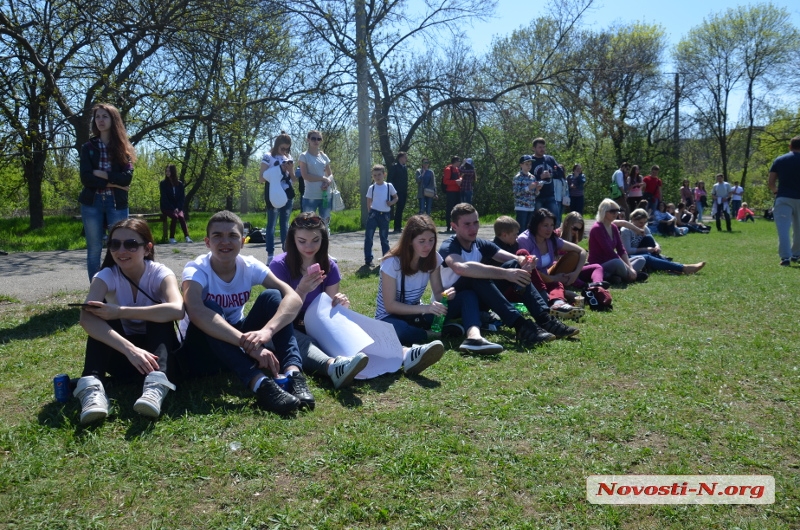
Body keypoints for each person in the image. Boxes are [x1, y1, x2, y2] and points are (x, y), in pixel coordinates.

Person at [179, 210, 311, 414]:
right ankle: (261, 385)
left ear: (242, 241)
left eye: (232, 236)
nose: (225, 242)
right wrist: (248, 344)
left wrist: (267, 331)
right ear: (207, 242)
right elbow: (195, 310)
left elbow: (291, 296)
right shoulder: (196, 269)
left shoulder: (249, 265)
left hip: (236, 342)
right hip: (202, 352)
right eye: (217, 236)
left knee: (273, 297)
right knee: (210, 308)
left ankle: (293, 374)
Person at [72, 218, 183, 424]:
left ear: (147, 248)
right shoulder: (105, 276)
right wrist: (130, 350)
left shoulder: (160, 273)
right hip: (124, 356)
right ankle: (92, 388)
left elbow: (177, 309)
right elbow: (85, 318)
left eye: (131, 244)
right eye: (115, 244)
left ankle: (155, 387)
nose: (121, 251)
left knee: (160, 316)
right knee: (97, 315)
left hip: (157, 358)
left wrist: (120, 311)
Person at [439, 203, 579, 347]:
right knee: (476, 276)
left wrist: (525, 261)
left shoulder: (479, 243)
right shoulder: (448, 246)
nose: (473, 228)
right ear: (454, 226)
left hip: (478, 300)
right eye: (467, 224)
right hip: (452, 304)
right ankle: (520, 325)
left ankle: (545, 319)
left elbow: (508, 257)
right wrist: (505, 274)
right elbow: (461, 268)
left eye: (476, 223)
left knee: (513, 265)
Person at [378, 214, 503, 355]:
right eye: (422, 241)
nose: (428, 246)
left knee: (467, 295)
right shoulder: (391, 263)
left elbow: (438, 293)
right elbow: (390, 306)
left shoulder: (434, 259)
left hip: (418, 316)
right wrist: (427, 308)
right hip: (390, 318)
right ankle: (433, 334)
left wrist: (445, 295)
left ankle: (474, 337)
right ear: (409, 241)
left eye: (431, 240)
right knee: (397, 330)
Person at [269, 213, 369, 387]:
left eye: (316, 240)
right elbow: (280, 312)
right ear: (292, 239)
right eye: (302, 241)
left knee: (353, 332)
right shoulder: (279, 266)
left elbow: (327, 310)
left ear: (324, 239)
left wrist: (339, 304)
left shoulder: (330, 266)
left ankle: (402, 354)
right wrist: (301, 290)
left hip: (316, 325)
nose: (309, 246)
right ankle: (334, 367)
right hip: (287, 325)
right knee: (303, 341)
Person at [79, 103, 136, 281]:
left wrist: (102, 174)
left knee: (120, 247)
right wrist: (115, 182)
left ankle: (118, 289)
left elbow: (126, 179)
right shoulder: (88, 148)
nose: (100, 120)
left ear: (113, 119)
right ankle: (96, 294)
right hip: (92, 202)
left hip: (116, 203)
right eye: (97, 117)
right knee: (94, 249)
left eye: (105, 116)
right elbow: (86, 178)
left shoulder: (124, 148)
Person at [517, 209, 587, 320]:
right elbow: (530, 269)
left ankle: (558, 304)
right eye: (545, 225)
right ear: (536, 225)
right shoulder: (524, 240)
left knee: (573, 256)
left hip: (547, 276)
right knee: (555, 283)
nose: (549, 229)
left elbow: (582, 251)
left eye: (552, 225)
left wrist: (575, 274)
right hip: (531, 278)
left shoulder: (551, 239)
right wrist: (553, 278)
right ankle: (559, 299)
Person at [621, 209, 706, 275]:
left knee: (649, 239)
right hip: (629, 256)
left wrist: (657, 246)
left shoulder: (644, 228)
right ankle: (683, 268)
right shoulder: (626, 231)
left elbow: (653, 241)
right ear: (632, 219)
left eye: (644, 222)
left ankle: (670, 267)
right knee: (648, 256)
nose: (642, 225)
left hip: (642, 251)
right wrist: (646, 249)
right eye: (640, 222)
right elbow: (627, 251)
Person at [587, 199, 646, 284]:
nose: (616, 213)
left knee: (641, 259)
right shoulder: (597, 228)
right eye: (613, 211)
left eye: (617, 211)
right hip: (600, 264)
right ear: (604, 212)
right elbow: (610, 252)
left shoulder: (613, 227)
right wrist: (629, 269)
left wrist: (630, 267)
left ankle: (618, 276)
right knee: (617, 262)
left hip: (613, 260)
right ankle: (630, 277)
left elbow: (621, 248)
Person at [260, 133, 297, 264]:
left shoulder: (289, 157)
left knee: (285, 224)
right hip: (273, 194)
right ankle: (270, 255)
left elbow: (293, 180)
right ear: (277, 145)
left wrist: (290, 169)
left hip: (287, 194)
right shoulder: (268, 156)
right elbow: (261, 178)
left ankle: (286, 253)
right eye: (283, 148)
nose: (285, 151)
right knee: (271, 224)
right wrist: (278, 169)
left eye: (287, 149)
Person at [768, 136, 800, 266]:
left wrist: (776, 192)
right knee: (799, 228)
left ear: (790, 146)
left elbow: (771, 182)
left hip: (784, 197)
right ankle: (797, 254)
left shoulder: (780, 160)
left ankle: (785, 257)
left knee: (783, 228)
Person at [298, 130, 333, 232]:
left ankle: (324, 246)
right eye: (313, 138)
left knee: (325, 224)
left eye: (319, 139)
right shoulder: (304, 156)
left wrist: (327, 182)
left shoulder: (323, 156)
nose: (316, 141)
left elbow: (330, 174)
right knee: (308, 225)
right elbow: (305, 176)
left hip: (325, 196)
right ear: (308, 140)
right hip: (310, 196)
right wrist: (322, 178)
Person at [364, 164, 398, 267]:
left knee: (384, 238)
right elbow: (368, 200)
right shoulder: (372, 187)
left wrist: (391, 203)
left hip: (385, 215)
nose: (377, 177)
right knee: (369, 237)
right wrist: (370, 211)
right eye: (375, 175)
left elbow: (396, 198)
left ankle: (386, 258)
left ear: (384, 174)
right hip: (374, 214)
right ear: (372, 176)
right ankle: (368, 259)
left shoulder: (389, 186)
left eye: (379, 174)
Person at [530, 138, 565, 227]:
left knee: (555, 220)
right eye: (539, 147)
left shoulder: (549, 159)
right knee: (538, 222)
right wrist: (539, 177)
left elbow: (560, 172)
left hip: (550, 195)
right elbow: (525, 177)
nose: (542, 149)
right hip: (537, 197)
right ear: (534, 148)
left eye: (543, 147)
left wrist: (551, 174)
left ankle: (554, 239)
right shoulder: (530, 161)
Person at [160, 164, 192, 244]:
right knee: (174, 217)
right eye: (166, 171)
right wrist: (172, 208)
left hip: (178, 207)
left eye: (169, 171)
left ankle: (187, 237)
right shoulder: (163, 183)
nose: (167, 172)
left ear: (173, 172)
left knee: (181, 216)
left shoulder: (180, 184)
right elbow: (164, 198)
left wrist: (178, 207)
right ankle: (171, 238)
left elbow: (182, 198)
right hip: (166, 207)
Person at [513, 155, 539, 234]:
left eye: (530, 164)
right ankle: (519, 245)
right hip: (521, 207)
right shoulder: (517, 177)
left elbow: (535, 194)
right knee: (521, 229)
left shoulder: (532, 177)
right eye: (526, 164)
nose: (529, 166)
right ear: (521, 165)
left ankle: (527, 245)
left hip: (531, 207)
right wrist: (528, 187)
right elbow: (516, 193)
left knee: (529, 230)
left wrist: (537, 189)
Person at [389, 151, 409, 233]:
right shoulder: (395, 167)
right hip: (396, 192)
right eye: (405, 157)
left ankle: (398, 226)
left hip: (403, 191)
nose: (406, 159)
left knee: (400, 209)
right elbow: (390, 179)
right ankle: (395, 227)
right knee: (395, 208)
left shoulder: (404, 167)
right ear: (400, 158)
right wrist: (393, 191)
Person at [442, 156, 462, 233]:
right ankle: (448, 226)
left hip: (457, 192)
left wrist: (460, 179)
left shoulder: (457, 169)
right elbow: (445, 181)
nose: (459, 163)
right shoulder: (448, 169)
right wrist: (455, 182)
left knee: (457, 210)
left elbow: (459, 177)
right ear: (455, 161)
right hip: (450, 192)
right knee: (449, 209)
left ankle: (455, 226)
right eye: (459, 161)